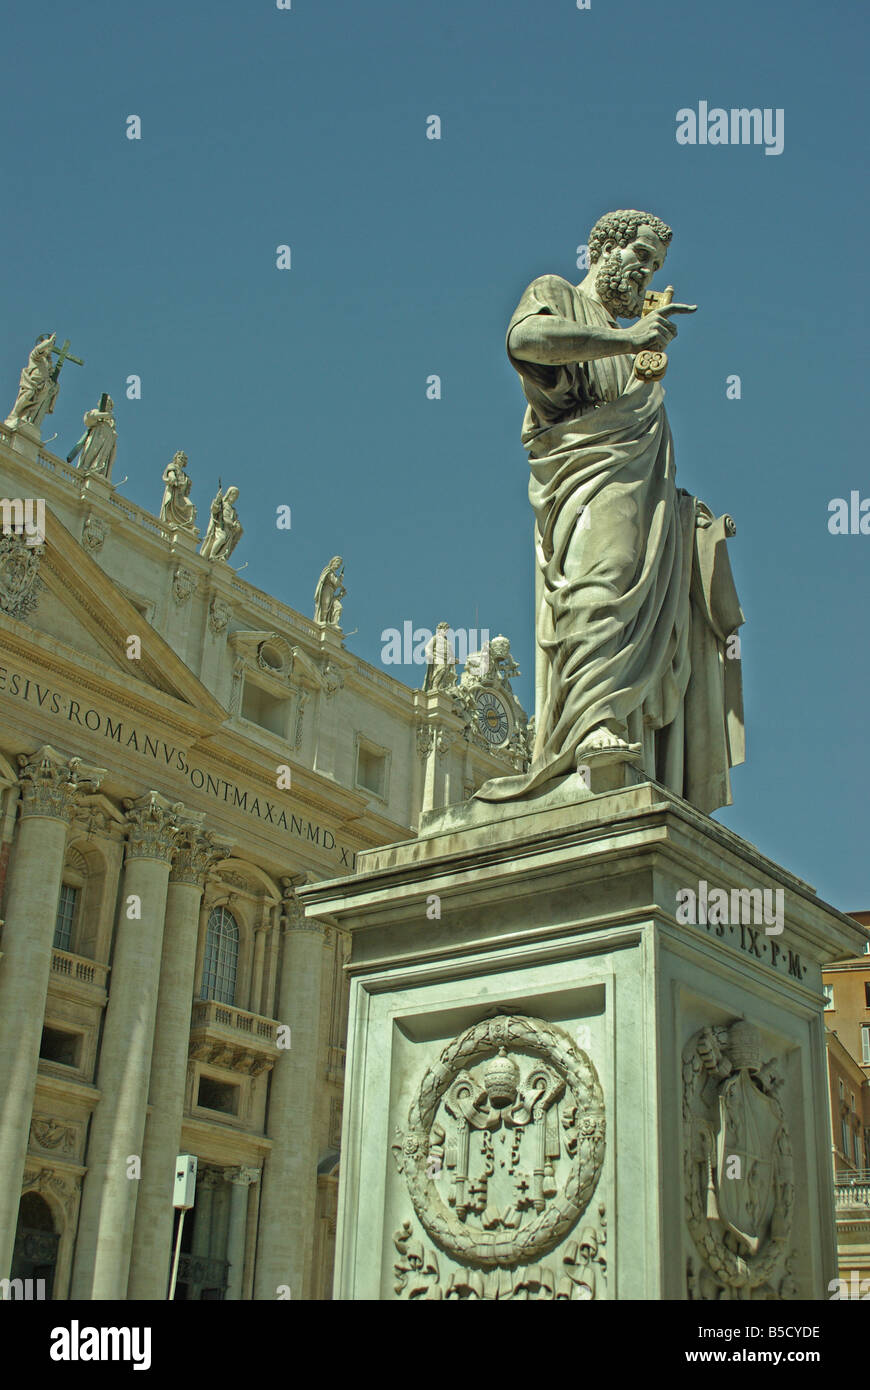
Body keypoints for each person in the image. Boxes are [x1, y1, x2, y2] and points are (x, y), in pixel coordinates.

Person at [475, 209, 744, 815]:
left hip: (637, 494)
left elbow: (646, 455)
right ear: (604, 249)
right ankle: (589, 724)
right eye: (641, 257)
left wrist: (684, 517)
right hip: (582, 480)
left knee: (632, 588)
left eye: (654, 265)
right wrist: (628, 338)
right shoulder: (557, 295)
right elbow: (523, 340)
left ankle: (624, 742)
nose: (646, 274)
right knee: (604, 576)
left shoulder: (625, 346)